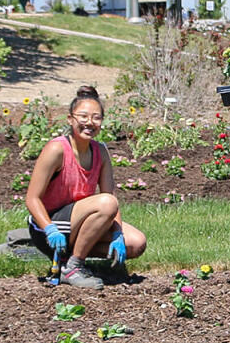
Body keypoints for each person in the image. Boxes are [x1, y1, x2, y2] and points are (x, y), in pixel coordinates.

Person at [24, 85, 147, 289]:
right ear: (70, 119)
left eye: (96, 118)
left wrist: (117, 233)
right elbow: (32, 199)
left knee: (135, 242)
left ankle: (69, 259)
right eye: (83, 116)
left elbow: (110, 195)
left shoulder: (101, 152)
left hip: (78, 224)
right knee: (106, 203)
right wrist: (49, 229)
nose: (90, 122)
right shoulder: (56, 149)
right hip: (50, 227)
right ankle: (73, 267)